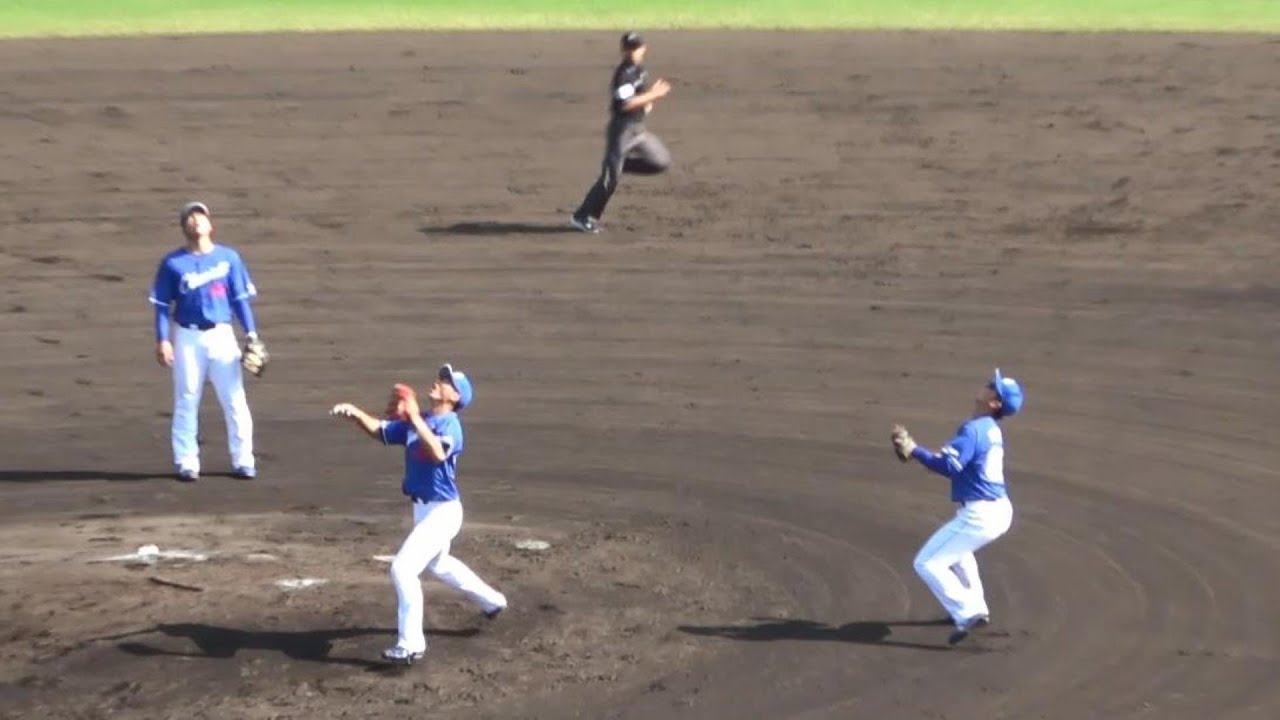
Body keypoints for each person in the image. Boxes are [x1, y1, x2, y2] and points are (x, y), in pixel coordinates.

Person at [330, 364, 508, 665]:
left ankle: (411, 644)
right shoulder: (420, 420)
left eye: (447, 382)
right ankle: (493, 602)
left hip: (444, 512)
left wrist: (413, 417)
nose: (439, 382)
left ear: (455, 397)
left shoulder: (450, 425)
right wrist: (356, 414)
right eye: (441, 378)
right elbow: (382, 432)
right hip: (423, 510)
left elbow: (438, 452)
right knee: (439, 564)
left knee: (403, 569)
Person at [890, 369, 1025, 645]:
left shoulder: (974, 430)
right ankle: (978, 607)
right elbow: (956, 464)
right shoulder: (989, 429)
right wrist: (922, 456)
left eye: (992, 386)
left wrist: (914, 450)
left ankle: (967, 611)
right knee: (960, 555)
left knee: (927, 562)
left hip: (981, 514)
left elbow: (949, 466)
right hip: (996, 510)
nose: (987, 385)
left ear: (995, 402)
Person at [149, 201, 261, 482]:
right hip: (187, 336)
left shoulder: (229, 258)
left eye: (200, 215)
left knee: (234, 399)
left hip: (221, 334)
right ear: (183, 228)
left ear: (211, 224)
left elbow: (240, 300)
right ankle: (187, 461)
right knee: (186, 398)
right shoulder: (173, 263)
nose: (195, 220)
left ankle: (244, 459)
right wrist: (163, 340)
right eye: (189, 217)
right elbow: (161, 306)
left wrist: (251, 334)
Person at [570, 31, 672, 233]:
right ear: (623, 50)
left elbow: (640, 99)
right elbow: (625, 104)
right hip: (622, 131)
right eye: (629, 48)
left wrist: (649, 101)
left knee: (661, 161)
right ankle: (583, 216)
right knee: (610, 180)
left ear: (643, 48)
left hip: (638, 130)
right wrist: (654, 94)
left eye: (636, 48)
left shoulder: (640, 71)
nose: (633, 51)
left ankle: (618, 165)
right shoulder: (623, 74)